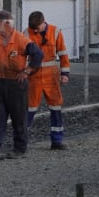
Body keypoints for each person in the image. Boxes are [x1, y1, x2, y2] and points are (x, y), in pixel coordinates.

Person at [0, 9, 43, 160]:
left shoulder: (21, 40)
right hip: (0, 82)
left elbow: (38, 55)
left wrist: (27, 71)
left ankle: (19, 148)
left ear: (7, 23)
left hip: (16, 83)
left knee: (18, 117)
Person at [24, 11, 71, 149]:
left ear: (43, 22)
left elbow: (63, 53)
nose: (35, 31)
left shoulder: (56, 32)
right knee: (29, 108)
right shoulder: (26, 33)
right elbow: (22, 56)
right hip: (34, 77)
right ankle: (21, 142)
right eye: (33, 28)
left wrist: (65, 73)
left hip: (51, 77)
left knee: (56, 107)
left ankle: (57, 141)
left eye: (37, 28)